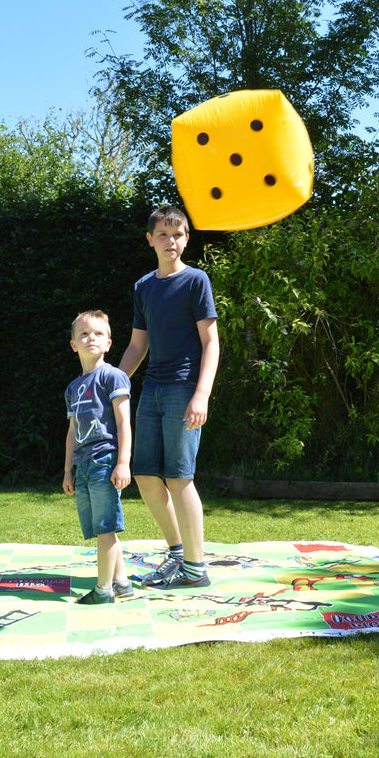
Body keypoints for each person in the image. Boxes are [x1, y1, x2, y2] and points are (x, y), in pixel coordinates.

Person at [117, 204, 219, 590]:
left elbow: (211, 343)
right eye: (162, 234)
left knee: (179, 479)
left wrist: (202, 394)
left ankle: (196, 570)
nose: (170, 241)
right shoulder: (144, 287)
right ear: (150, 240)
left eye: (177, 235)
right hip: (152, 390)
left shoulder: (196, 281)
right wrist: (110, 382)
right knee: (144, 476)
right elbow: (136, 346)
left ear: (186, 239)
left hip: (184, 390)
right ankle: (178, 555)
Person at [63, 310, 135, 604]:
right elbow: (72, 431)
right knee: (100, 527)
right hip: (84, 465)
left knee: (106, 527)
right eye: (83, 333)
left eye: (98, 334)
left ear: (108, 343)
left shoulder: (113, 376)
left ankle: (103, 590)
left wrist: (123, 462)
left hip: (106, 460)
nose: (90, 338)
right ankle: (122, 583)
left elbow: (123, 423)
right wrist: (68, 469)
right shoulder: (72, 388)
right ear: (73, 345)